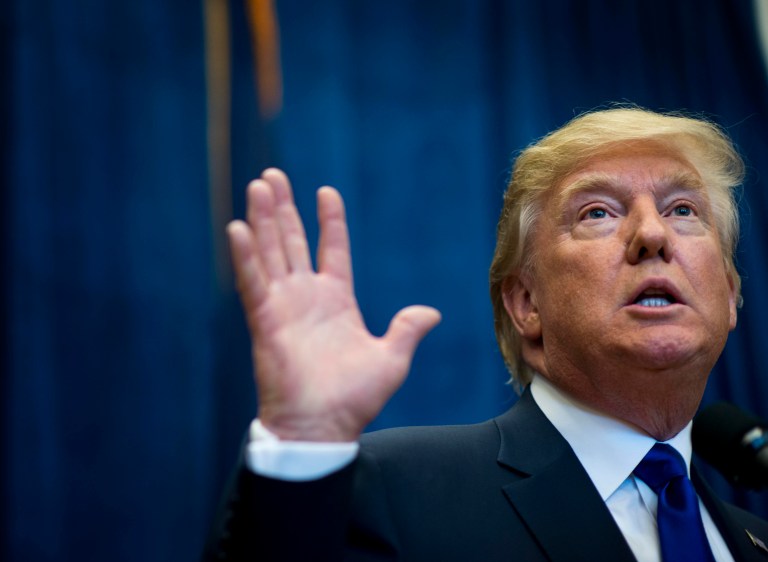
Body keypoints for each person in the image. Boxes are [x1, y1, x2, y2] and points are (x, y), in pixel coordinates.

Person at [203, 107, 768, 561]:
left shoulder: (753, 539)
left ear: (729, 292)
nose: (651, 233)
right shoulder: (395, 490)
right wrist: (303, 441)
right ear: (526, 303)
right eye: (597, 212)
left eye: (684, 210)